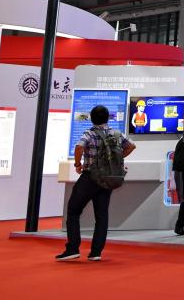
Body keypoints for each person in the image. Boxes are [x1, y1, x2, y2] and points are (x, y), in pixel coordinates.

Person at [57, 105, 136, 261]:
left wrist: (78, 164)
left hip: (90, 177)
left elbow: (79, 147)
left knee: (73, 210)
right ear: (107, 118)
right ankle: (96, 252)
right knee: (101, 216)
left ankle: (73, 248)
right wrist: (116, 160)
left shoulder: (90, 133)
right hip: (108, 179)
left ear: (92, 118)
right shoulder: (116, 133)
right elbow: (131, 146)